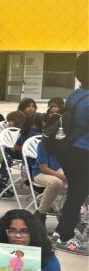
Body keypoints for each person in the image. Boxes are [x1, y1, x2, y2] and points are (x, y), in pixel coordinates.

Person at [52, 51, 89, 254]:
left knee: (75, 193)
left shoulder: (75, 95)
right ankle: (66, 236)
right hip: (85, 153)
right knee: (77, 195)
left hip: (70, 151)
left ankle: (61, 231)